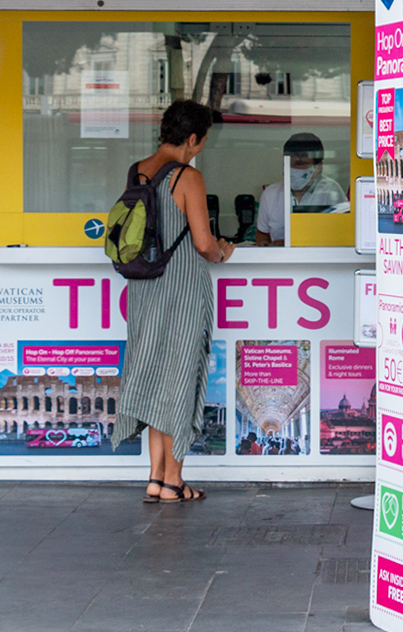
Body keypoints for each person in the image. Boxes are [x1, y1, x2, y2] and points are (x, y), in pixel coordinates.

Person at [112, 100, 235, 504]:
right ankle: (174, 481)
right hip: (181, 289)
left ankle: (156, 477)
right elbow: (203, 243)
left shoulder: (137, 170)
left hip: (144, 288)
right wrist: (222, 251)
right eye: (203, 141)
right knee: (179, 378)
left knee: (152, 376)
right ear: (193, 138)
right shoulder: (188, 177)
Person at [255, 132, 349, 246]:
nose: (292, 168)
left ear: (318, 167)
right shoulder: (270, 194)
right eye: (288, 163)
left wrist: (288, 244)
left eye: (300, 164)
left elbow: (341, 237)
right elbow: (262, 233)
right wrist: (264, 244)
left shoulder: (331, 192)